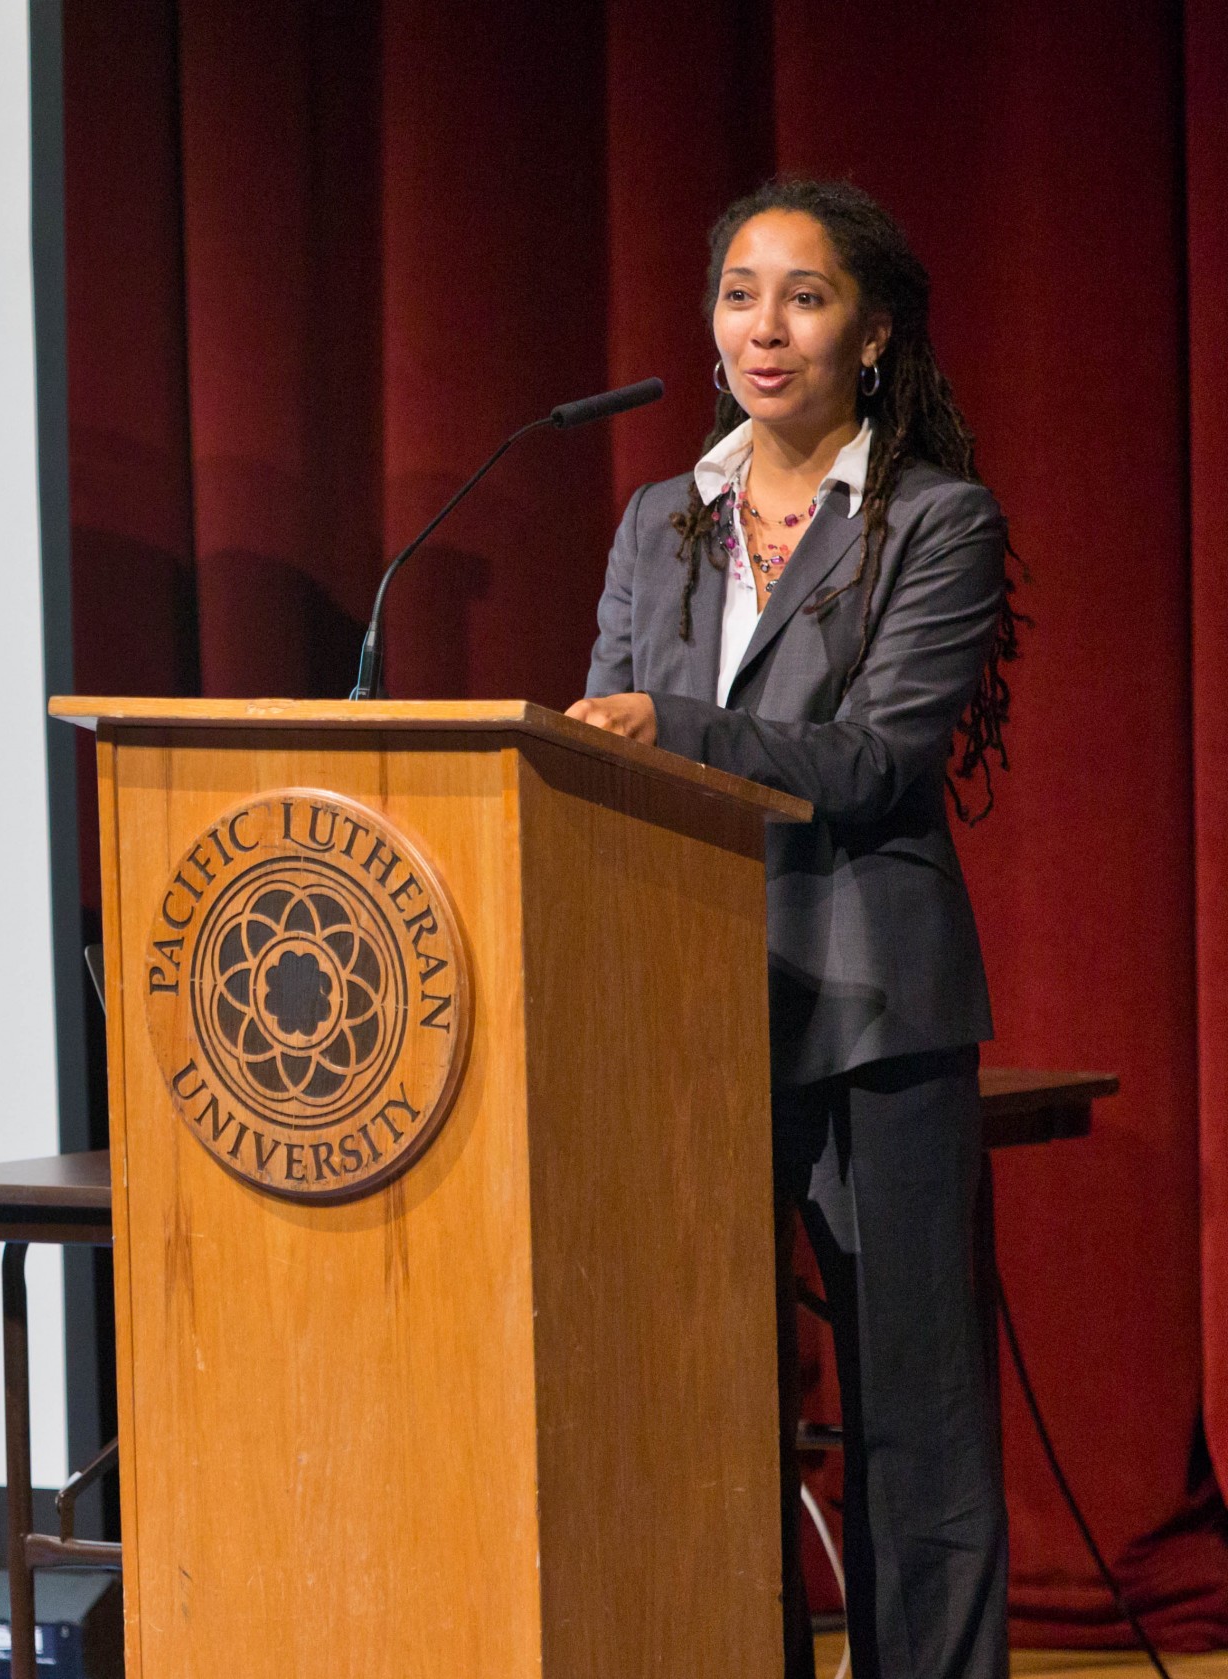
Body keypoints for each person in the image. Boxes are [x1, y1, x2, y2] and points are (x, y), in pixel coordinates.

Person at [566, 178, 1022, 1679]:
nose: (766, 326)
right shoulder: (660, 520)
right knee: (705, 1395)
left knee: (917, 1413)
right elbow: (605, 747)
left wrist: (675, 729)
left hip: (876, 1005)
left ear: (871, 334)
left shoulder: (934, 522)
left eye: (806, 296)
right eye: (740, 292)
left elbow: (885, 760)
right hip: (694, 1001)